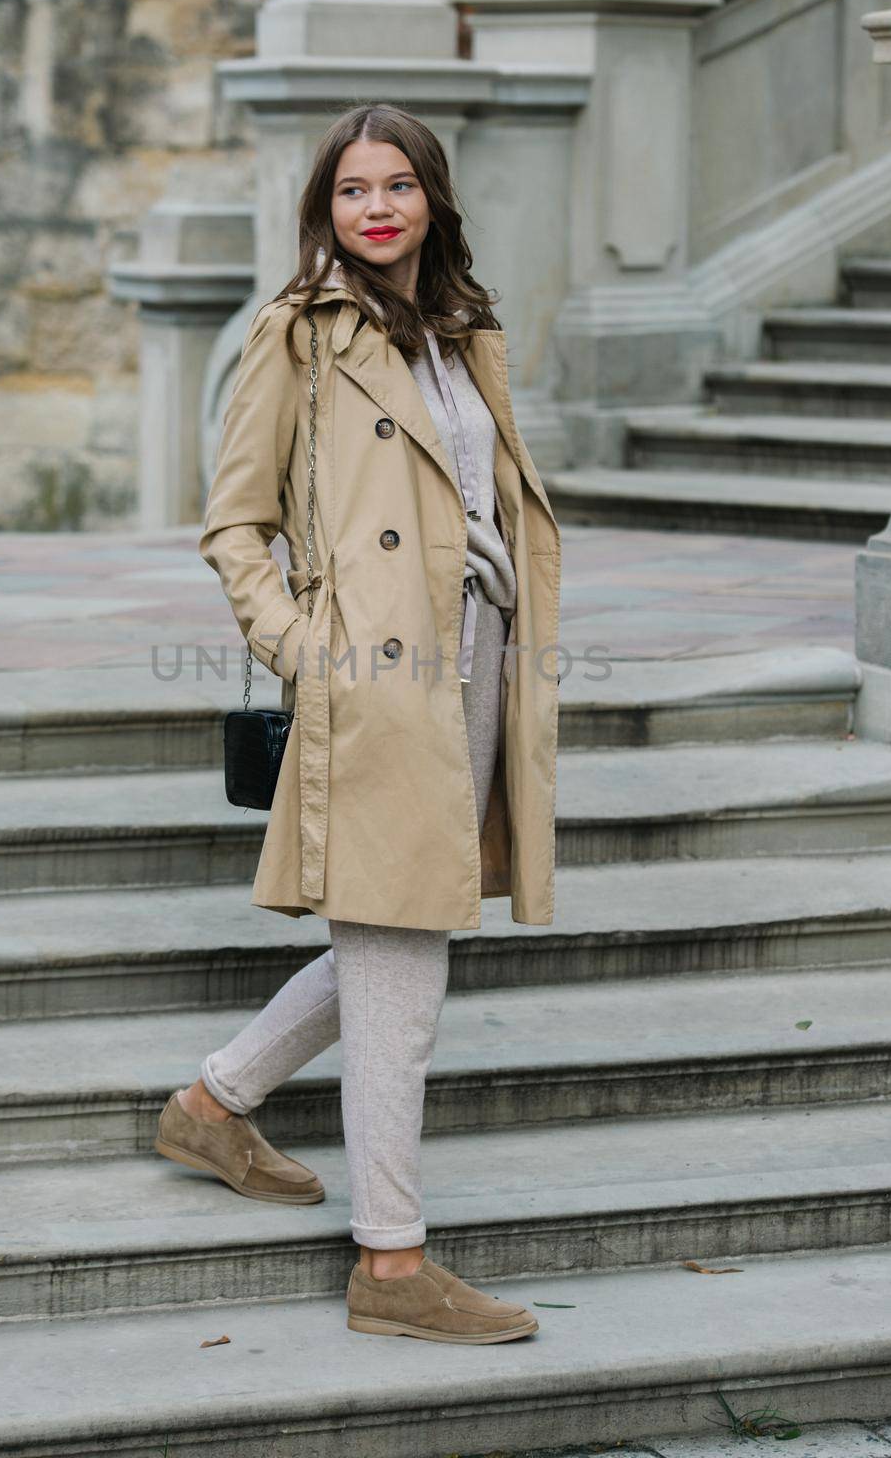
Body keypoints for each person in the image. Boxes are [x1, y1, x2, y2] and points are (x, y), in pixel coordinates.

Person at [154, 102, 562, 1344]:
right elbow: (234, 522)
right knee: (404, 955)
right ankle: (391, 1266)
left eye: (397, 186)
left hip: (480, 657)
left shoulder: (461, 329)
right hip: (373, 679)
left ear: (432, 199)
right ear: (321, 208)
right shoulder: (298, 334)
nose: (374, 207)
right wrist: (301, 649)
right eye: (349, 190)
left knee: (406, 924)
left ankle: (215, 1105)